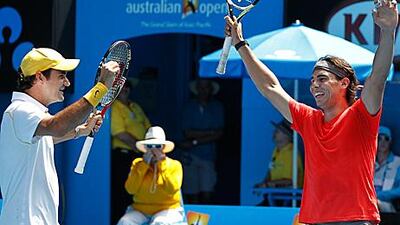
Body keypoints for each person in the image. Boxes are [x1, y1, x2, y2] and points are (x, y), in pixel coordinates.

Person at [224, 0, 397, 224]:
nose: (314, 85)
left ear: (344, 83)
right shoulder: (308, 119)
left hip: (356, 219)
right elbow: (270, 87)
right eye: (313, 80)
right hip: (315, 220)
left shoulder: (361, 115)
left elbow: (378, 78)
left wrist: (388, 31)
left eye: (322, 79)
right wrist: (240, 44)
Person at [0, 47, 118, 225]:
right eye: (61, 76)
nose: (67, 83)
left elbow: (47, 138)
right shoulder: (20, 110)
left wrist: (80, 130)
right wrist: (100, 88)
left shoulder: (30, 116)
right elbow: (56, 127)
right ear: (39, 77)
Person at [117, 126, 185, 225]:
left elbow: (172, 190)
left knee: (160, 222)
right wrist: (144, 165)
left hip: (168, 208)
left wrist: (162, 163)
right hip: (140, 209)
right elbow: (130, 189)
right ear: (145, 148)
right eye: (150, 146)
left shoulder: (174, 165)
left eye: (157, 146)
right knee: (125, 222)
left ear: (163, 148)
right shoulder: (137, 164)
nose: (153, 150)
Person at [110, 78, 151, 224]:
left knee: (138, 193)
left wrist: (149, 148)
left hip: (140, 156)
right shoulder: (114, 106)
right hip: (124, 157)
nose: (125, 88)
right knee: (123, 195)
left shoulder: (135, 106)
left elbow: (148, 129)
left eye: (128, 86)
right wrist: (143, 149)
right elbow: (120, 133)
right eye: (122, 86)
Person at [179, 78, 224, 204]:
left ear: (211, 90)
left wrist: (195, 141)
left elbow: (219, 133)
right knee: (191, 193)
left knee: (207, 193)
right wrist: (209, 132)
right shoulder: (189, 106)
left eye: (206, 88)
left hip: (208, 155)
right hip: (190, 156)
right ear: (197, 89)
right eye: (201, 88)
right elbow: (187, 132)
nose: (203, 91)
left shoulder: (217, 107)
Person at [254, 120, 304, 206]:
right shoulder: (277, 150)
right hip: (273, 195)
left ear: (287, 136)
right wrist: (262, 184)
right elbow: (270, 170)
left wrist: (267, 185)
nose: (274, 133)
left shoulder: (291, 153)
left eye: (278, 131)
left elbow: (290, 181)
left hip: (287, 198)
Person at [374, 125, 400, 213]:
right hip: (367, 204)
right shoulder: (368, 163)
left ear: (390, 141)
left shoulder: (397, 163)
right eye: (379, 138)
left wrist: (378, 196)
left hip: (389, 207)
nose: (383, 142)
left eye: (386, 139)